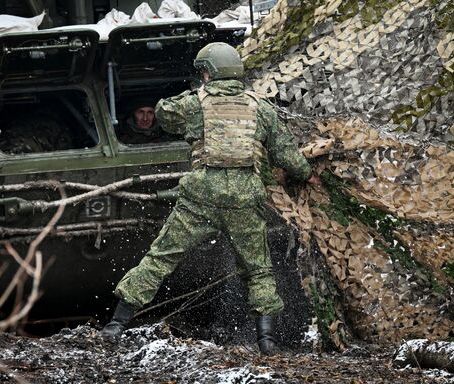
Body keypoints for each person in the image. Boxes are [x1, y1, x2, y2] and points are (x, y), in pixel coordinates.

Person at [101, 42, 320, 355]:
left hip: (201, 195)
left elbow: (163, 113)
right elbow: (285, 153)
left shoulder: (194, 103)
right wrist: (308, 173)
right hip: (245, 194)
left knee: (161, 257)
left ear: (208, 72)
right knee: (258, 268)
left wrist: (195, 93)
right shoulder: (261, 107)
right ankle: (267, 341)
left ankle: (116, 324)